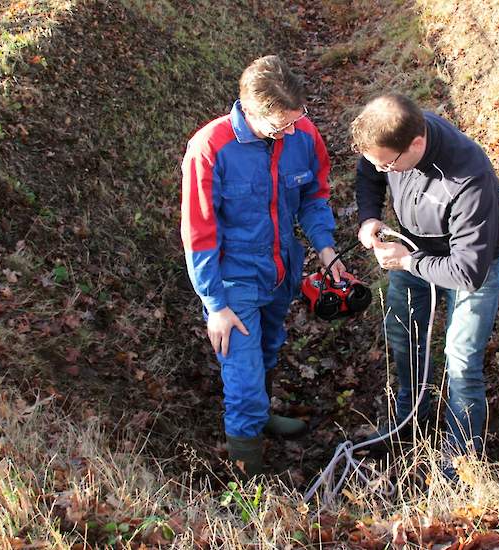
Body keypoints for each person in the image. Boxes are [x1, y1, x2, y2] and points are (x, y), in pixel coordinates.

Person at [180, 55, 344, 478]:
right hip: (234, 280)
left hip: (281, 270)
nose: (291, 130)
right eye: (280, 126)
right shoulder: (210, 148)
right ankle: (248, 491)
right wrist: (215, 304)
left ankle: (263, 417)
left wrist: (326, 249)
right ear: (250, 110)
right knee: (243, 385)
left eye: (296, 119)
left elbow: (314, 195)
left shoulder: (303, 133)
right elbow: (199, 234)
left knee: (269, 349)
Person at [350, 93, 499, 473]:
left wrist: (407, 261)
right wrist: (370, 217)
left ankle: (460, 464)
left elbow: (468, 272)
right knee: (404, 334)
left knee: (461, 362)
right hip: (415, 249)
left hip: (469, 265)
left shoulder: (468, 178)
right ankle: (410, 420)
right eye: (381, 162)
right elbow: (369, 171)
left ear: (416, 145)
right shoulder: (391, 140)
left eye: (390, 164)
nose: (384, 169)